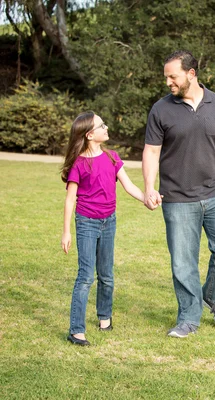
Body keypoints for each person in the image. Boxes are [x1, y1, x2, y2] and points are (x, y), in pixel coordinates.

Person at [143, 50, 215, 338]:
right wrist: (148, 187)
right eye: (166, 76)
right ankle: (189, 316)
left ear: (191, 74)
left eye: (173, 76)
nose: (168, 82)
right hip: (177, 197)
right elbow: (151, 152)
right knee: (183, 260)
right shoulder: (161, 109)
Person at [61, 112, 145, 346]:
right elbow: (70, 199)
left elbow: (129, 187)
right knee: (86, 276)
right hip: (86, 222)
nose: (106, 128)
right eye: (102, 126)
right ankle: (76, 330)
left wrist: (147, 199)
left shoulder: (112, 157)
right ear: (89, 135)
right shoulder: (79, 163)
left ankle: (104, 318)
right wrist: (66, 231)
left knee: (106, 275)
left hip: (109, 221)